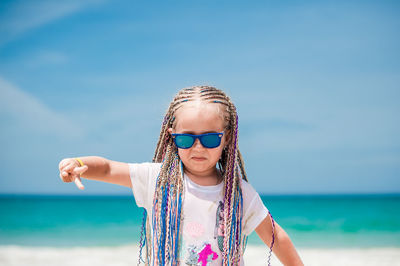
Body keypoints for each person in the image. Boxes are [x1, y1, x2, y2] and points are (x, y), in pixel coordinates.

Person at [58, 86, 303, 266]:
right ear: (172, 137)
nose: (198, 148)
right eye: (186, 139)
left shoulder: (239, 194)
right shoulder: (155, 179)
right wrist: (78, 164)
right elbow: (108, 168)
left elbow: (276, 236)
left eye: (209, 138)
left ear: (226, 138)